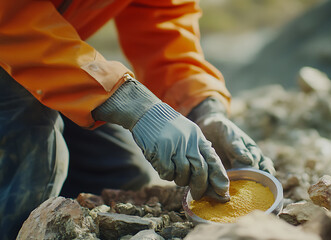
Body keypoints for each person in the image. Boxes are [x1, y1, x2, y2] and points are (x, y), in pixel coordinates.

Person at [0, 0, 275, 238]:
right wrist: (131, 103)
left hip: (35, 59)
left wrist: (203, 109)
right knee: (35, 153)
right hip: (13, 52)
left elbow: (163, 24)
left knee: (123, 174)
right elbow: (10, 17)